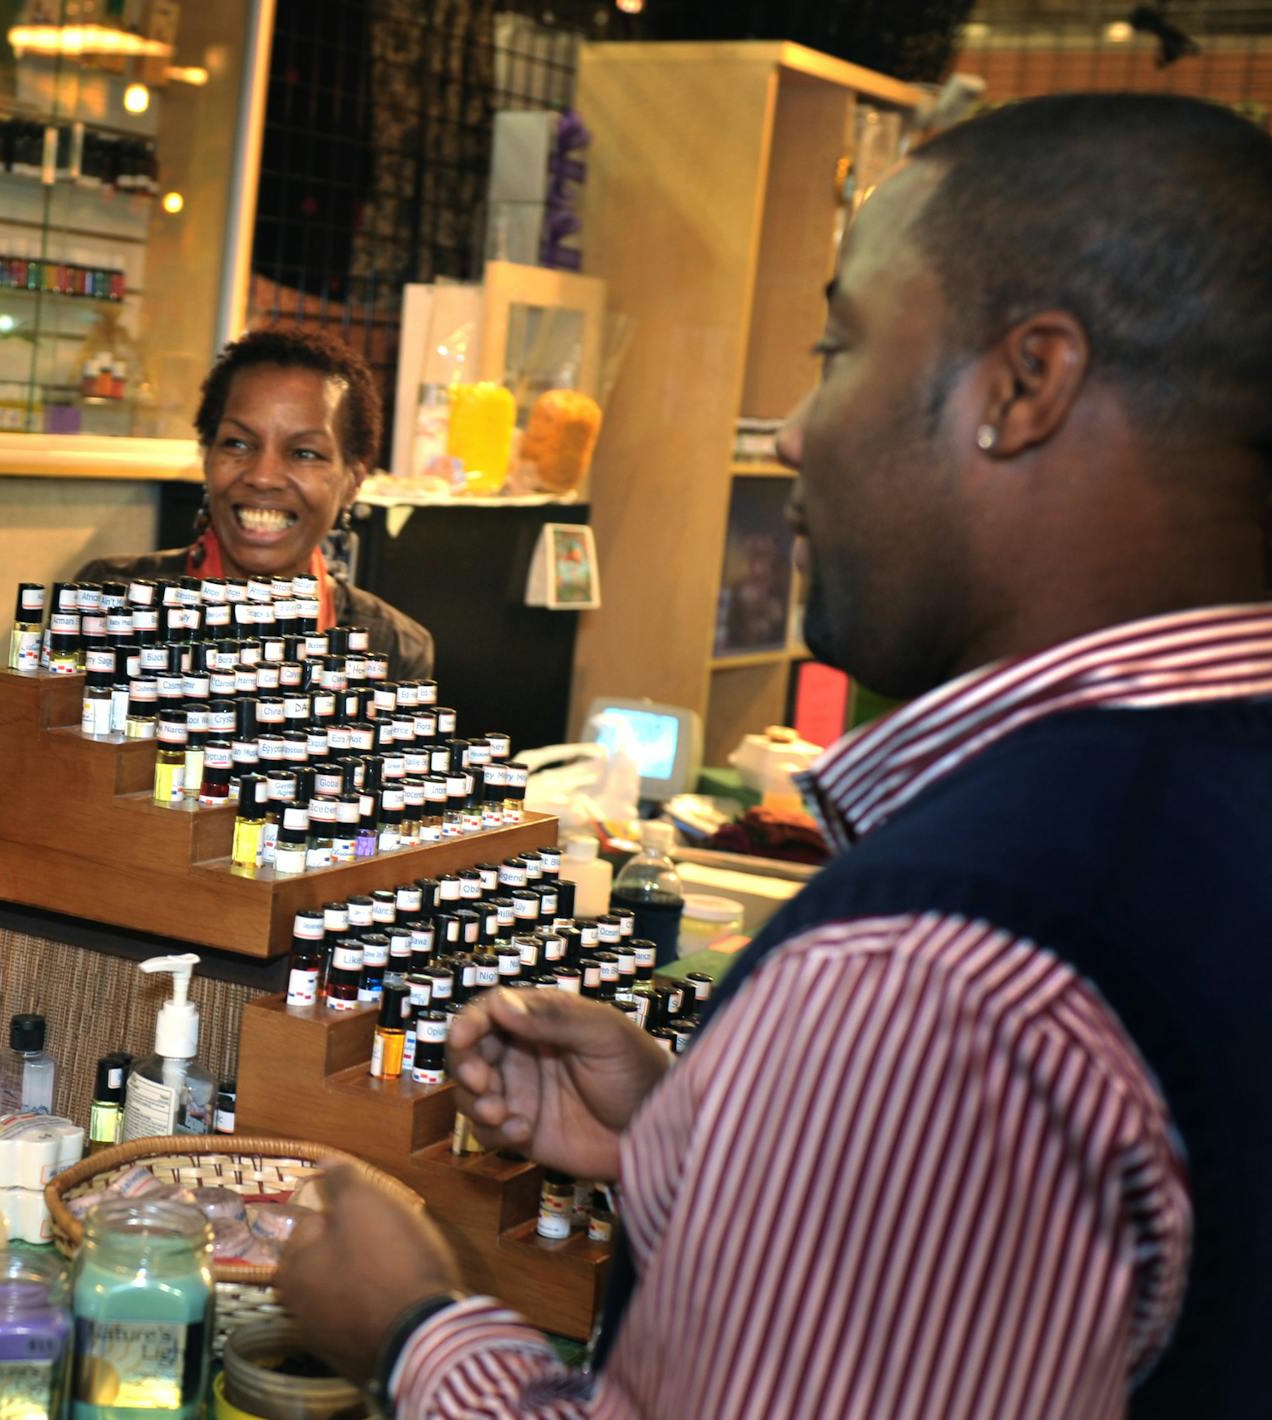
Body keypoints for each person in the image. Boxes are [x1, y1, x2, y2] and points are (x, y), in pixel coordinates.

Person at [278, 94, 1271, 1417]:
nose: (795, 429)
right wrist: (693, 1132)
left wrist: (411, 1330)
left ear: (1026, 385)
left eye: (839, 345)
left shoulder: (929, 977)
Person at [77, 326, 434, 677]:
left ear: (351, 483)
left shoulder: (393, 649)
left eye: (305, 453)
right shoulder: (113, 600)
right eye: (238, 443)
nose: (263, 476)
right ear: (207, 458)